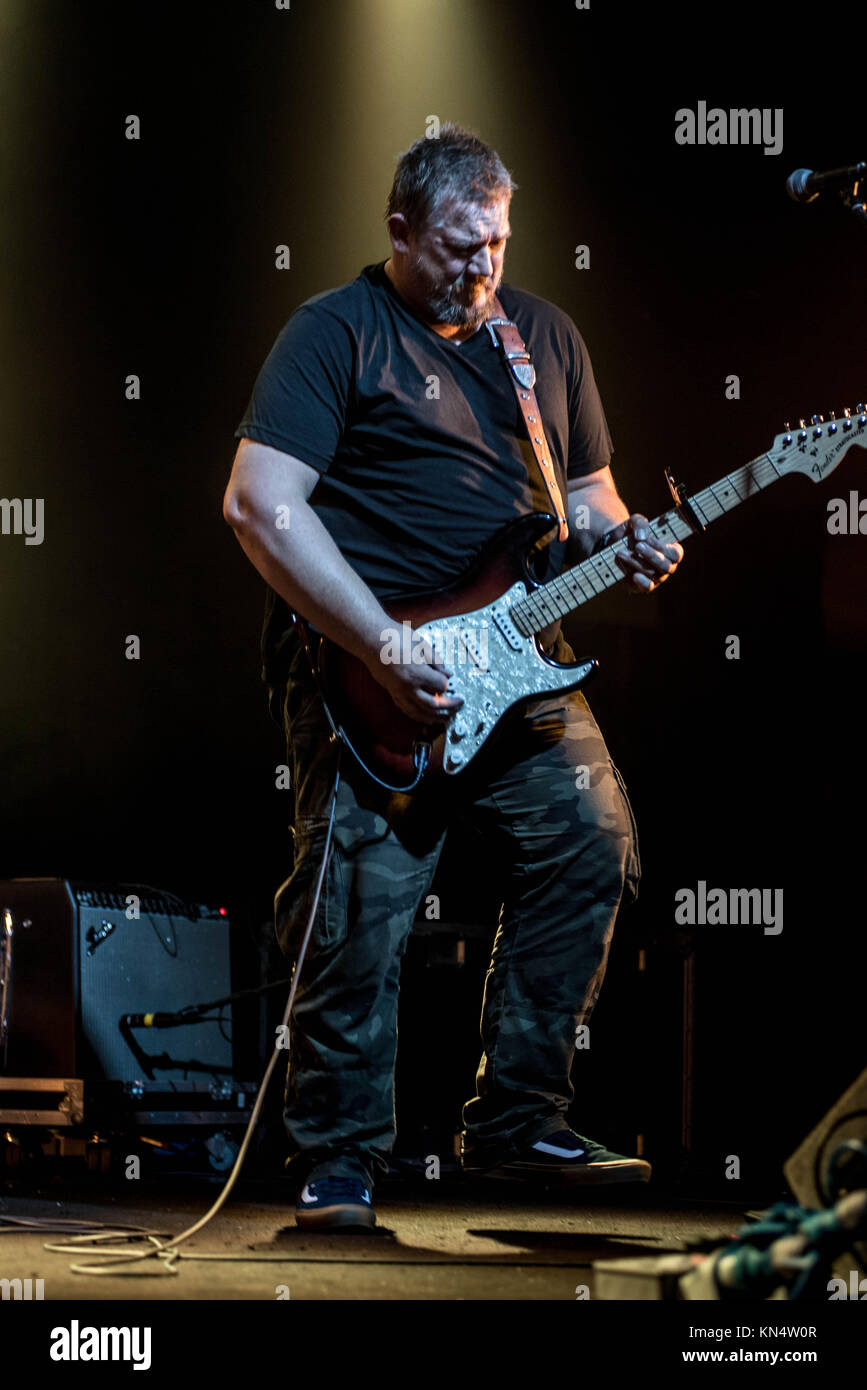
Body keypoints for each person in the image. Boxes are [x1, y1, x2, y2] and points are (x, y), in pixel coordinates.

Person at [223, 124, 683, 1230]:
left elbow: (590, 511)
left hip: (521, 670)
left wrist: (637, 546)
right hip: (371, 669)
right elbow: (258, 505)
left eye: (497, 248)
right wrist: (385, 641)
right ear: (399, 228)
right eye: (459, 249)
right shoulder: (335, 332)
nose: (482, 272)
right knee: (357, 905)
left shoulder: (545, 341)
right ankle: (336, 1159)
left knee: (594, 838)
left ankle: (519, 1118)